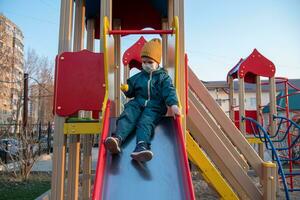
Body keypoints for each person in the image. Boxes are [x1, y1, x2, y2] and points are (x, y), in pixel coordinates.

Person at [104, 38, 181, 162]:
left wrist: (174, 105)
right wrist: (127, 88)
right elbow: (131, 92)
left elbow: (169, 91)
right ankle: (117, 139)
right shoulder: (139, 77)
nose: (146, 65)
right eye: (144, 62)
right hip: (138, 102)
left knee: (145, 122)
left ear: (157, 62)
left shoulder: (163, 77)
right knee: (129, 113)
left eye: (150, 62)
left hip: (155, 107)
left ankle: (141, 146)